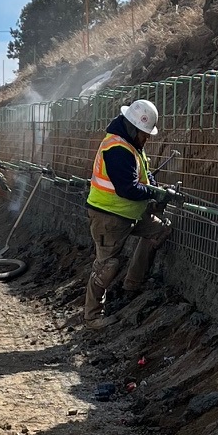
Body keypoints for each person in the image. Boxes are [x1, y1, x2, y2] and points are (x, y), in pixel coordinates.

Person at [84, 98, 173, 321]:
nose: (147, 138)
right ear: (134, 128)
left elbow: (143, 173)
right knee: (106, 266)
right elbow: (127, 188)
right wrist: (155, 194)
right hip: (109, 216)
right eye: (145, 134)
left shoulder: (131, 145)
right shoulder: (117, 149)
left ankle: (133, 283)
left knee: (159, 230)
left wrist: (155, 189)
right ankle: (93, 316)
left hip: (129, 213)